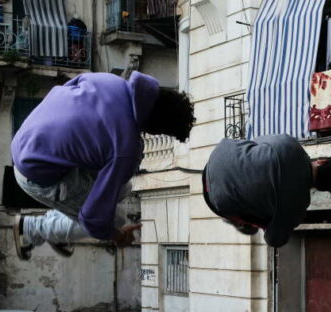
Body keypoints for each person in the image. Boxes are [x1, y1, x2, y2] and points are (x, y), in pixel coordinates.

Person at [11, 71, 195, 259]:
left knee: (123, 189)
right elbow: (93, 218)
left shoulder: (108, 80)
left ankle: (56, 228)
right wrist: (117, 235)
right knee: (114, 218)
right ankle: (32, 229)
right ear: (156, 127)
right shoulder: (124, 149)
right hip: (35, 175)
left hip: (22, 140)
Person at [202, 135, 331, 248]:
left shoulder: (291, 143)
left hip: (218, 156)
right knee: (269, 219)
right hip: (216, 197)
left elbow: (257, 141)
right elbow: (273, 240)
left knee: (256, 149)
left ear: (322, 161)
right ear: (324, 189)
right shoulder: (298, 209)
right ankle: (241, 221)